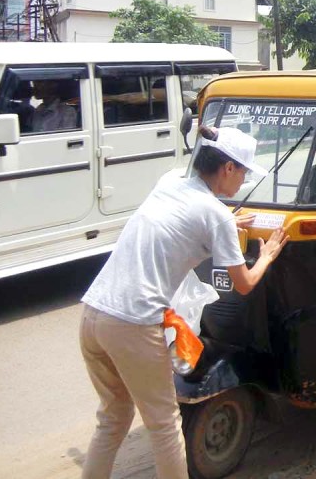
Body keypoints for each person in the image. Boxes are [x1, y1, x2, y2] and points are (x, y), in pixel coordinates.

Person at [78, 127, 288, 479]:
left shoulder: (171, 181)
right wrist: (266, 255)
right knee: (164, 425)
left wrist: (226, 221)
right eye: (244, 172)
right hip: (133, 323)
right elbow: (245, 283)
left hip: (93, 314)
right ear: (227, 168)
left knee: (113, 418)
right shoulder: (215, 214)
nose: (244, 181)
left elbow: (178, 221)